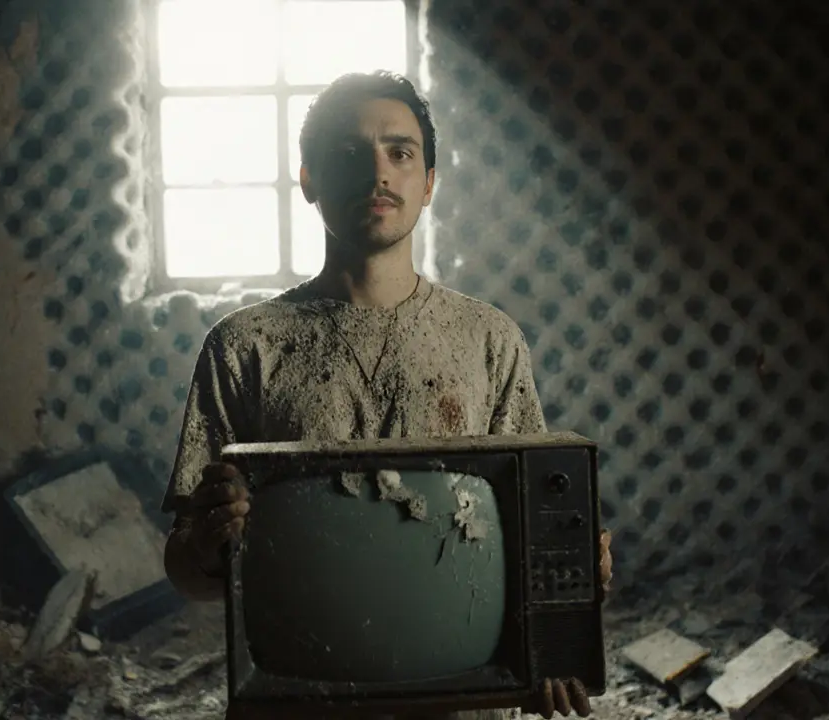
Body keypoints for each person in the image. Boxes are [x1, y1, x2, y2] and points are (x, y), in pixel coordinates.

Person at [161, 71, 612, 719]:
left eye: (399, 153)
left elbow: (527, 536)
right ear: (309, 179)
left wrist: (553, 642)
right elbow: (186, 571)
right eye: (349, 155)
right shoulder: (244, 345)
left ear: (427, 182)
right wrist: (206, 544)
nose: (377, 173)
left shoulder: (489, 338)